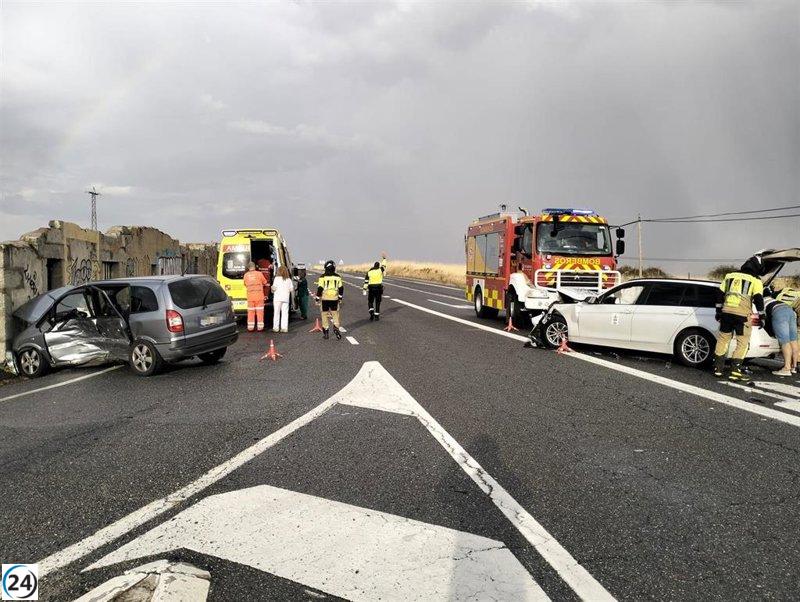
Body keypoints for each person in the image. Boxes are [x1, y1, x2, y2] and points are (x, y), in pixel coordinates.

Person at [712, 256, 766, 380]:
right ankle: (735, 372)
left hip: (726, 314)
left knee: (723, 340)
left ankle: (718, 369)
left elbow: (719, 294)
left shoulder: (729, 276)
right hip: (742, 316)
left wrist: (718, 311)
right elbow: (758, 299)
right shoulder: (756, 280)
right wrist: (762, 316)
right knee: (742, 342)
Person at [763, 288, 798, 376]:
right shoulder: (774, 300)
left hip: (778, 312)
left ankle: (786, 368)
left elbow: (766, 321)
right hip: (790, 311)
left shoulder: (761, 302)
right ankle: (794, 367)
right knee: (793, 340)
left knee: (784, 342)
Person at [316, 260, 344, 340]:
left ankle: (326, 332)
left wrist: (317, 298)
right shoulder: (338, 277)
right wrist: (340, 297)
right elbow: (341, 288)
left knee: (324, 315)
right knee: (335, 314)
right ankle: (336, 327)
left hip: (325, 299)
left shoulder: (322, 277)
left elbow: (320, 288)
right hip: (334, 299)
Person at [243, 262, 268, 332]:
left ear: (248, 267)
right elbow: (265, 282)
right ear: (255, 267)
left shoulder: (246, 275)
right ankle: (260, 327)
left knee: (251, 312)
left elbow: (245, 284)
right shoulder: (259, 274)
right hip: (259, 296)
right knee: (260, 312)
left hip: (250, 297)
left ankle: (250, 327)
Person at [271, 266, 293, 333]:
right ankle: (284, 328)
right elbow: (291, 289)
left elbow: (274, 288)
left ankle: (276, 328)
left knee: (276, 313)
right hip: (285, 298)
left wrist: (272, 288)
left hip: (277, 298)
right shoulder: (289, 280)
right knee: (285, 313)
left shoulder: (276, 279)